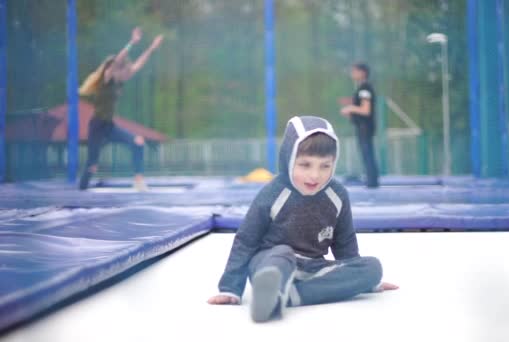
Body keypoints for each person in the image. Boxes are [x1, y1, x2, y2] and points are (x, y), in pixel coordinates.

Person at [208, 116, 398, 323]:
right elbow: (246, 240)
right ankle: (274, 288)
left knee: (372, 268)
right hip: (271, 262)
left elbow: (345, 242)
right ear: (289, 159)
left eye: (325, 166)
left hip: (314, 268)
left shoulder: (337, 195)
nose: (315, 175)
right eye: (305, 165)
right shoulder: (273, 193)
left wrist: (363, 280)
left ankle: (290, 296)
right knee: (281, 253)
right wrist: (230, 288)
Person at [78, 27, 164, 191]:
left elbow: (137, 65)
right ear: (114, 69)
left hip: (109, 126)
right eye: (123, 70)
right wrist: (132, 42)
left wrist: (151, 49)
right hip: (97, 127)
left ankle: (138, 180)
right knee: (92, 165)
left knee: (138, 142)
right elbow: (119, 60)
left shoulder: (119, 81)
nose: (127, 73)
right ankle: (81, 191)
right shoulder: (107, 77)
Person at [340, 63, 379, 188]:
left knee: (367, 153)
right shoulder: (362, 89)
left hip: (365, 127)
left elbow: (365, 110)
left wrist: (350, 108)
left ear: (362, 72)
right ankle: (371, 180)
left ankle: (372, 182)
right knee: (366, 153)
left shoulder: (364, 89)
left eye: (355, 71)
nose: (352, 73)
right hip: (363, 126)